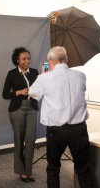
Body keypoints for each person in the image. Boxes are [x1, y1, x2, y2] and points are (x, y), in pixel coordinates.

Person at [28, 46, 92, 188]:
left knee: (53, 169)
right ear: (66, 59)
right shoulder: (81, 76)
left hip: (56, 131)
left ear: (50, 61)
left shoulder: (44, 78)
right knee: (83, 170)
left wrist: (44, 75)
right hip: (79, 130)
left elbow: (32, 93)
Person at [2, 47, 39, 183]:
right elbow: (5, 94)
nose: (27, 61)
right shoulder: (12, 74)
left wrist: (45, 76)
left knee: (30, 139)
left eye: (28, 58)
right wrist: (19, 92)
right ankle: (21, 172)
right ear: (17, 60)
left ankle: (28, 171)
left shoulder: (35, 72)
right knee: (19, 140)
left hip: (31, 108)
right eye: (24, 59)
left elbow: (41, 89)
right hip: (17, 109)